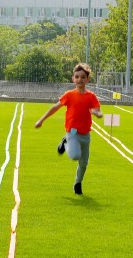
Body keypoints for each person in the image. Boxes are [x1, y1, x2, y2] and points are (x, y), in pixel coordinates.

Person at [35, 63, 103, 195]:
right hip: (72, 132)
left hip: (86, 135)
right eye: (77, 77)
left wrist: (97, 114)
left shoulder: (91, 96)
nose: (80, 80)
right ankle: (65, 142)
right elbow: (55, 107)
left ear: (87, 79)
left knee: (83, 163)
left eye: (83, 77)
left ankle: (78, 183)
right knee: (74, 155)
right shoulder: (69, 95)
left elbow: (97, 110)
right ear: (73, 79)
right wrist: (41, 120)